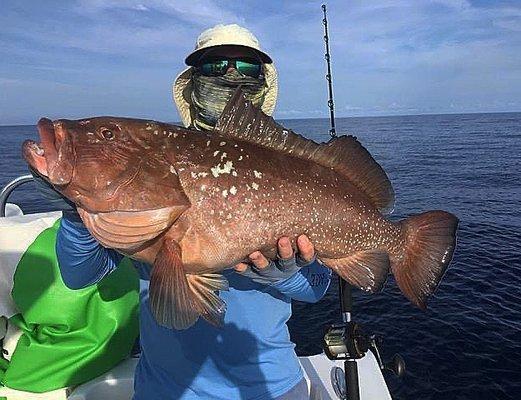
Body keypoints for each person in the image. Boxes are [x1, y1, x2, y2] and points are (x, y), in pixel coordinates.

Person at [38, 24, 332, 399]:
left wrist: (283, 276)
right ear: (192, 83)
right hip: (163, 388)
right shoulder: (149, 164)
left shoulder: (290, 169)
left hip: (271, 386)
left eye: (246, 68)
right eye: (213, 65)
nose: (230, 76)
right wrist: (80, 210)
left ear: (262, 85)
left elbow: (317, 288)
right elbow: (79, 276)